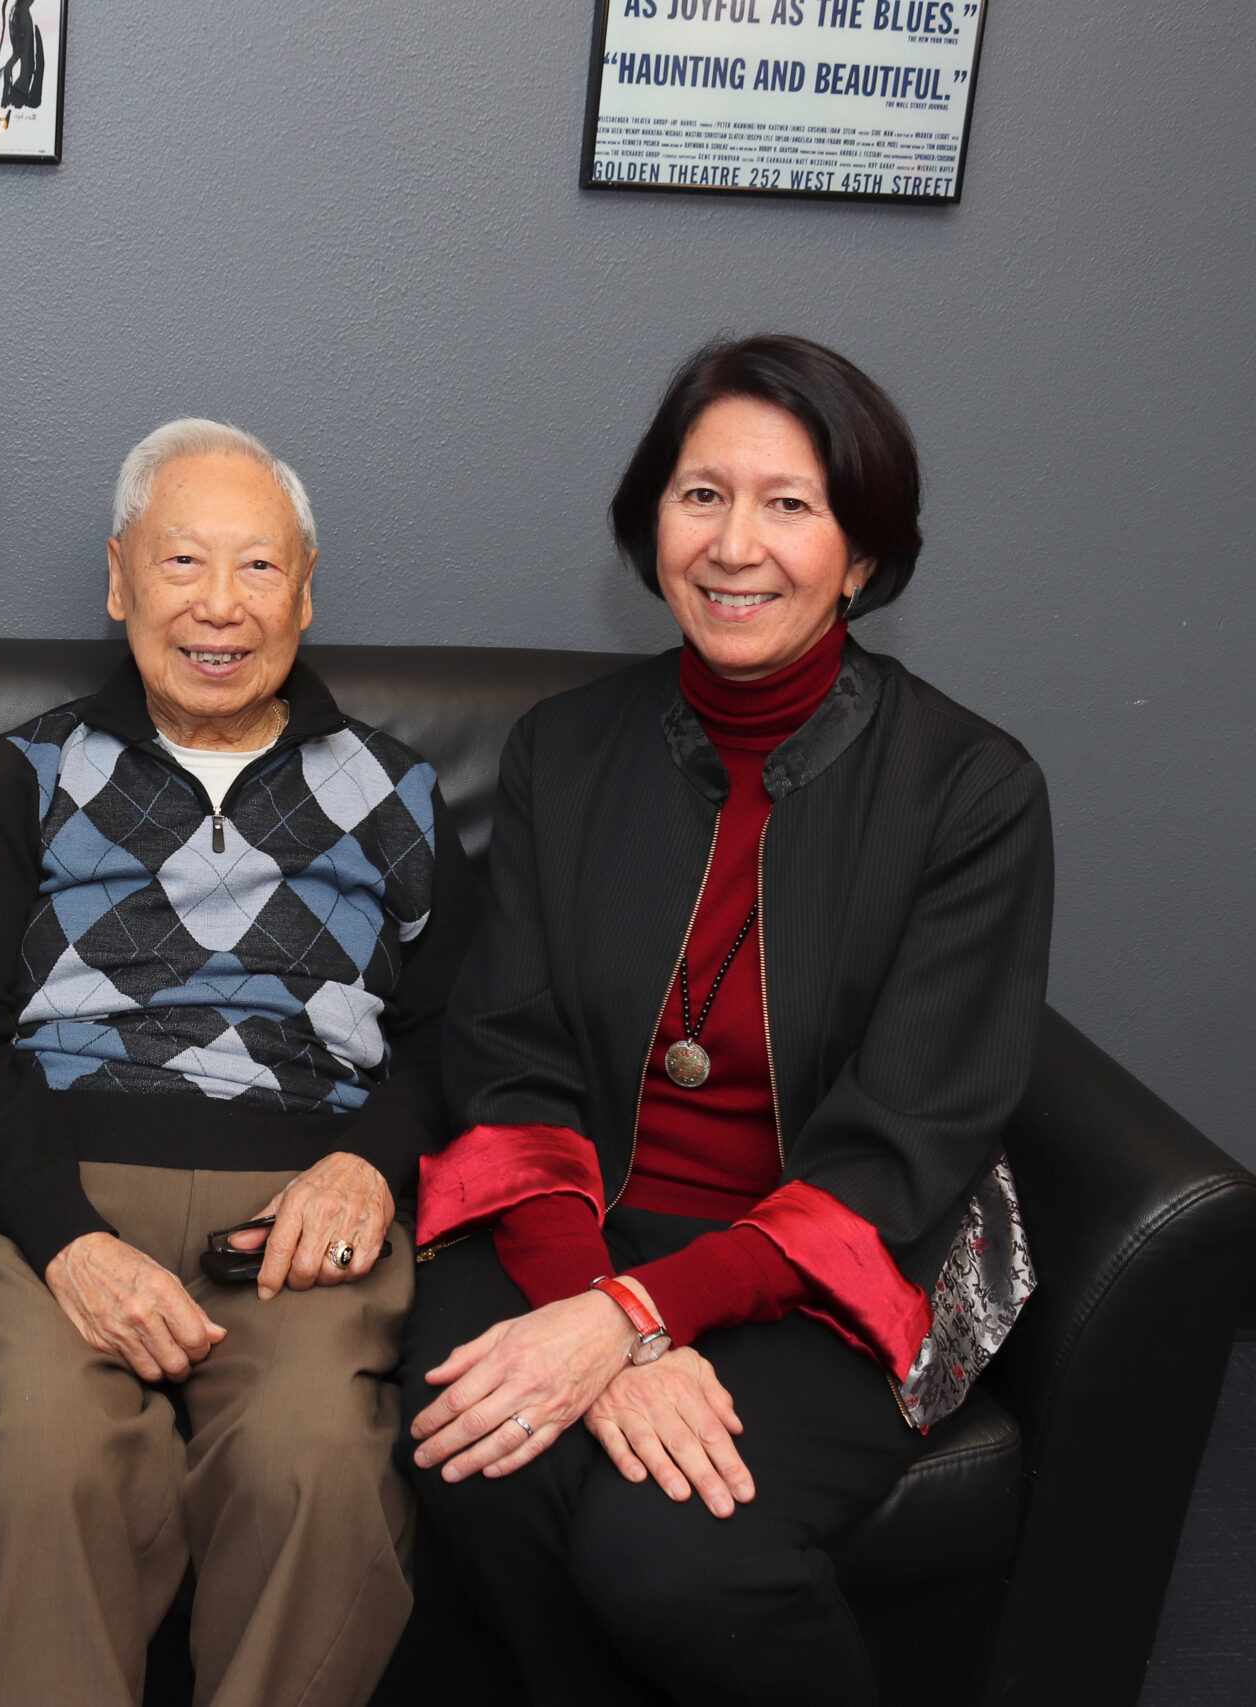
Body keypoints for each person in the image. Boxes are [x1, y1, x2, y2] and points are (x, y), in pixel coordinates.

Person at [403, 334, 1050, 1705]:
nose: (735, 544)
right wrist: (597, 1301)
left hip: (829, 1254)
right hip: (576, 1215)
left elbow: (898, 1150)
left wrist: (636, 1317)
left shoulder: (974, 791)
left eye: (790, 503)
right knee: (478, 1463)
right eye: (701, 496)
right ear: (652, 524)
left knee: (669, 1556)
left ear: (862, 553)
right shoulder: (564, 752)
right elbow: (510, 1058)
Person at [0, 419, 473, 1707]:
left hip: (302, 1199)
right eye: (182, 564)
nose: (220, 606)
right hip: (47, 1185)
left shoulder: (396, 793)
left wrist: (367, 1170)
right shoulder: (30, 774)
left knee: (314, 1456)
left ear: (306, 591)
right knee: (42, 1454)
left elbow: (454, 1037)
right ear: (119, 581)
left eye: (259, 569)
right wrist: (66, 1238)